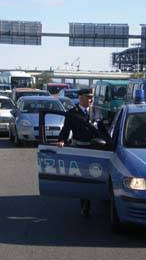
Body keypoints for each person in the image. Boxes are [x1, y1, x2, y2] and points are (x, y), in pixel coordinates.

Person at [57, 88, 100, 217]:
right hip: (80, 148)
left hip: (95, 148)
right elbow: (66, 129)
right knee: (83, 178)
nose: (91, 100)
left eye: (92, 98)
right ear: (81, 98)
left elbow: (102, 129)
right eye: (88, 97)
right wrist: (61, 140)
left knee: (95, 176)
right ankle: (85, 204)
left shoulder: (95, 112)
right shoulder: (72, 113)